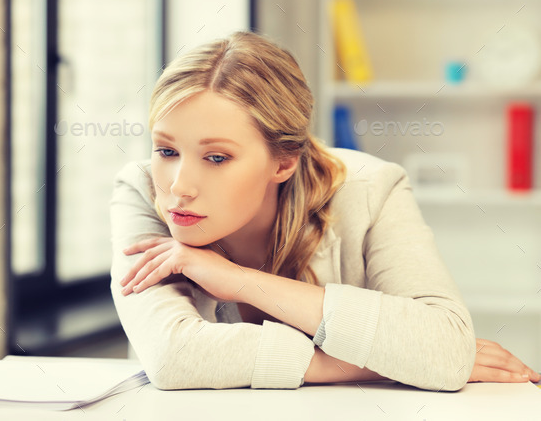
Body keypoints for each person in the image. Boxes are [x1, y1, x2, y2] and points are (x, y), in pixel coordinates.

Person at [110, 31, 539, 390]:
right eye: (166, 149)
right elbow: (173, 357)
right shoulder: (142, 188)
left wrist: (240, 282)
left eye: (217, 158)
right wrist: (374, 362)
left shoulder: (372, 188)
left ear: (284, 161)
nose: (178, 187)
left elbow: (444, 346)